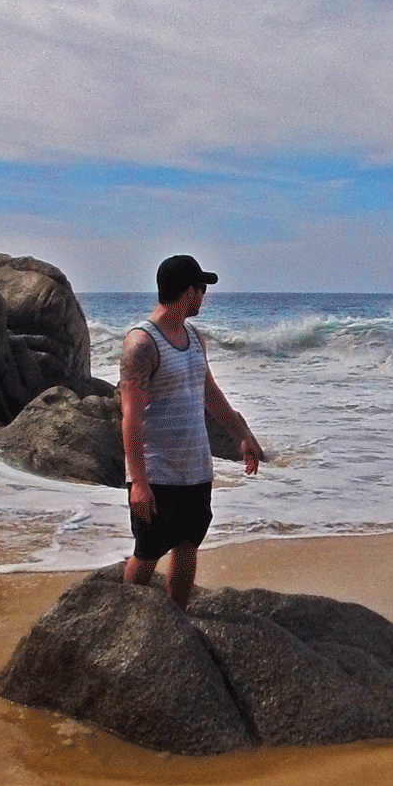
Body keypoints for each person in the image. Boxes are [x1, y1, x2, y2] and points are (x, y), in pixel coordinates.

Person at [119, 254, 264, 608]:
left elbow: (210, 394)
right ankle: (122, 618)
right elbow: (130, 418)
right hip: (158, 473)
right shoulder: (141, 344)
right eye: (201, 288)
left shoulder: (195, 337)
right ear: (188, 292)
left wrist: (243, 435)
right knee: (147, 552)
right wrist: (139, 482)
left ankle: (179, 620)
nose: (204, 296)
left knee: (187, 547)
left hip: (196, 470)